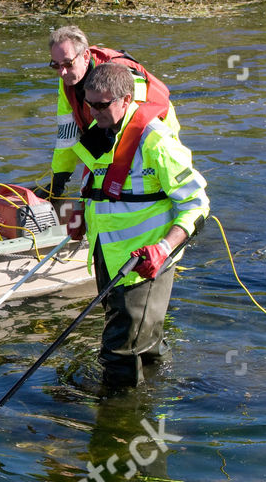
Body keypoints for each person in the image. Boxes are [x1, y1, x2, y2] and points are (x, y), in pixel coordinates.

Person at [68, 64, 207, 386]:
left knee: (119, 352)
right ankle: (160, 396)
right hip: (107, 254)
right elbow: (99, 190)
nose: (93, 111)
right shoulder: (100, 134)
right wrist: (80, 217)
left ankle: (117, 422)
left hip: (143, 263)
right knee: (143, 343)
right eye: (89, 104)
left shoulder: (156, 142)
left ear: (126, 99)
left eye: (102, 105)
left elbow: (196, 204)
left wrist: (163, 248)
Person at [46, 25, 178, 214]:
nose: (62, 72)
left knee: (142, 185)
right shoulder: (67, 80)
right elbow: (67, 136)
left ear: (84, 57)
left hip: (155, 132)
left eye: (67, 64)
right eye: (55, 65)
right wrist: (58, 181)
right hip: (106, 126)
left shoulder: (120, 73)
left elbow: (137, 121)